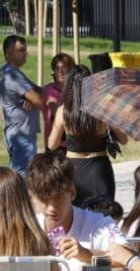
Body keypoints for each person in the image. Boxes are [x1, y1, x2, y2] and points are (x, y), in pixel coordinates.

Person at [46, 70, 127, 203]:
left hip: (74, 171)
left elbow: (52, 145)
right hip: (99, 169)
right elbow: (123, 139)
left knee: (76, 217)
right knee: (103, 217)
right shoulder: (103, 109)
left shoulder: (64, 111)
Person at [0, 35, 44, 174]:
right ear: (8, 52)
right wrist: (34, 99)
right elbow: (39, 100)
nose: (26, 53)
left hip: (20, 134)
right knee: (22, 180)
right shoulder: (12, 75)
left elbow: (38, 90)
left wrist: (32, 98)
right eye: (21, 50)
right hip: (21, 136)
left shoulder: (12, 72)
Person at [41, 52, 75, 149]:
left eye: (64, 67)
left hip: (74, 143)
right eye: (57, 68)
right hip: (55, 144)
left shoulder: (75, 89)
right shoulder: (49, 90)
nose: (60, 71)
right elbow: (55, 110)